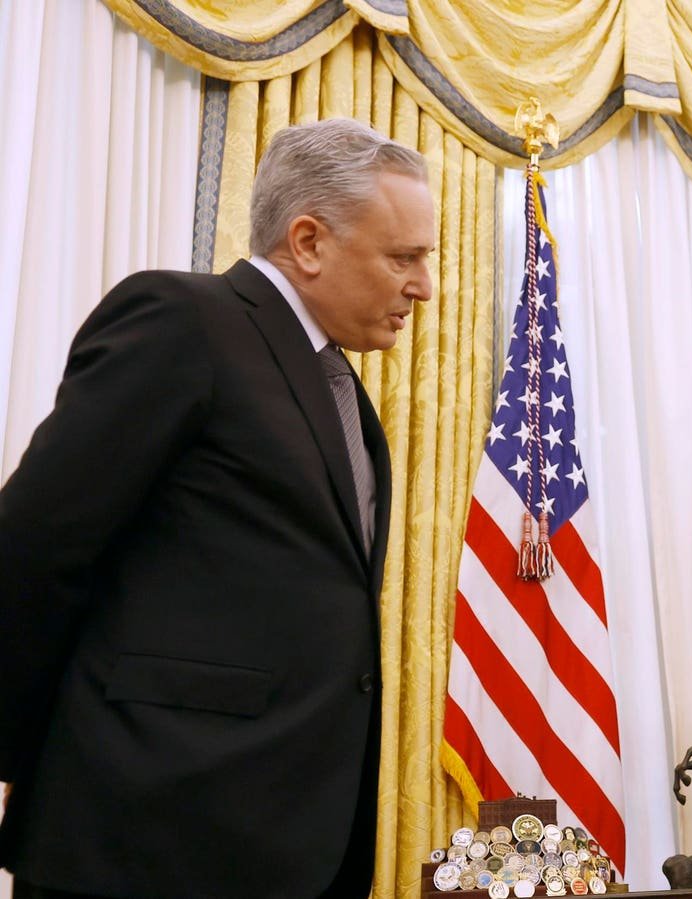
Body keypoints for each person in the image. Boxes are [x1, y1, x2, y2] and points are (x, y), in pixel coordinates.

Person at [0, 118, 435, 897]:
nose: (424, 286)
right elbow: (37, 541)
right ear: (309, 242)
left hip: (281, 846)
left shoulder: (341, 391)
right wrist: (20, 757)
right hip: (146, 838)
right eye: (403, 257)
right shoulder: (183, 319)